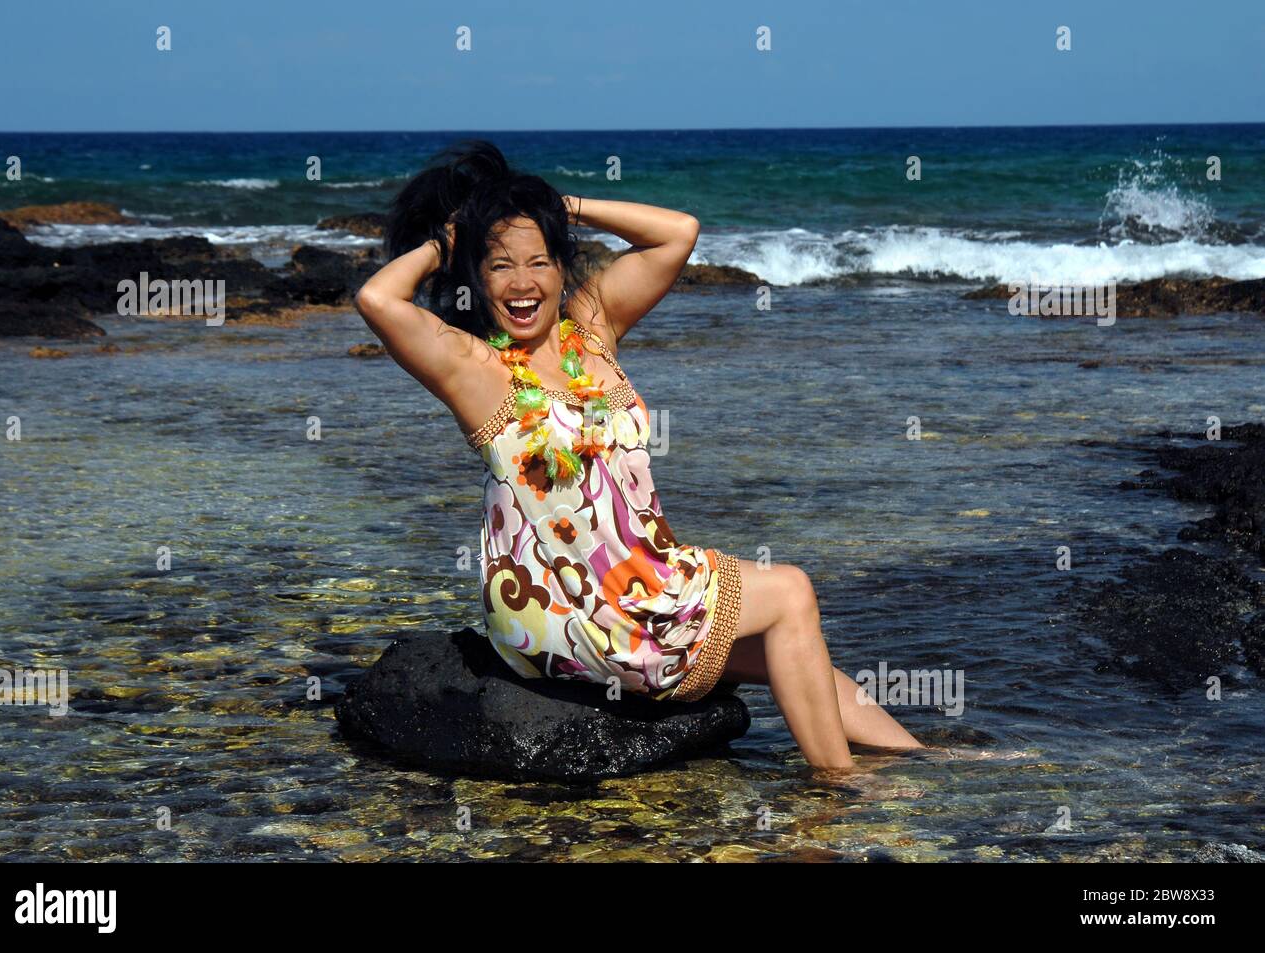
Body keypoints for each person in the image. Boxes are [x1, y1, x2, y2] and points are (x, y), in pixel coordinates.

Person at [354, 140, 923, 771]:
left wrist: (556, 206)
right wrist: (450, 240)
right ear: (475, 278)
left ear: (561, 266)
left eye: (539, 262)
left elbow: (678, 233)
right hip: (564, 603)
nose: (522, 284)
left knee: (797, 653)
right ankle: (834, 791)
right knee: (790, 592)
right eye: (499, 267)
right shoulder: (474, 367)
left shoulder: (591, 330)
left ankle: (925, 763)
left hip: (646, 580)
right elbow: (378, 300)